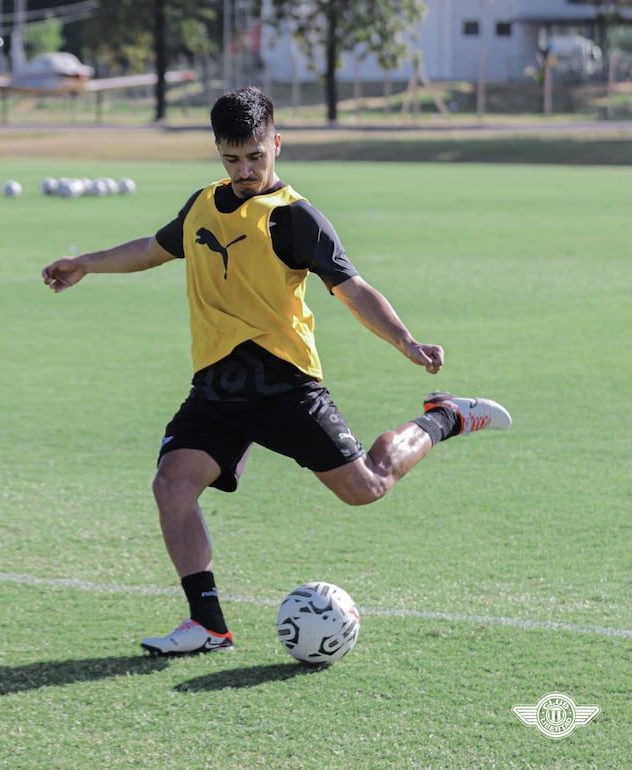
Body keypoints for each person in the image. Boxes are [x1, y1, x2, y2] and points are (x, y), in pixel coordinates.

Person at [42, 87, 511, 656]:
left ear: (276, 144)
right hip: (216, 385)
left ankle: (443, 417)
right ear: (218, 152)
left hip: (285, 383)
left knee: (365, 488)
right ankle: (208, 625)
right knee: (172, 483)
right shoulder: (202, 205)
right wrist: (85, 264)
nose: (244, 171)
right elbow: (154, 247)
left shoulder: (295, 219)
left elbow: (352, 288)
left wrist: (405, 341)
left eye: (255, 157)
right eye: (231, 159)